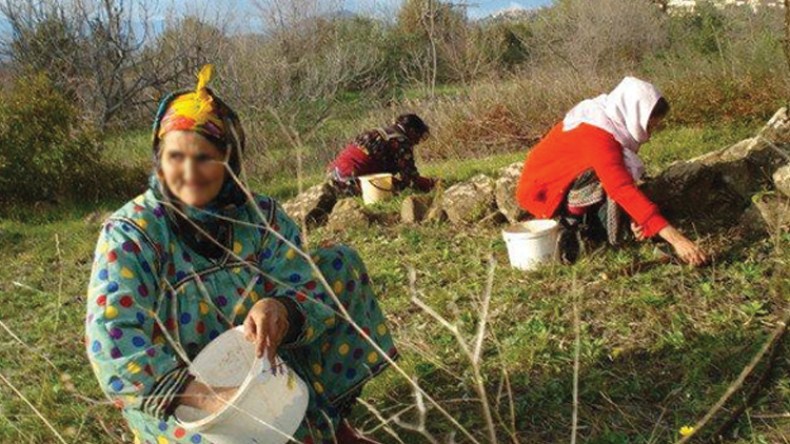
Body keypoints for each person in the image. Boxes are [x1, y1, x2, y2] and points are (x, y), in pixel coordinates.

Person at [85, 65, 397, 444]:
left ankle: (334, 424)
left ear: (228, 160)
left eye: (204, 158)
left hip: (263, 370)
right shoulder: (132, 235)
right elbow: (112, 346)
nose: (188, 172)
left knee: (337, 266)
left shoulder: (258, 216)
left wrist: (280, 308)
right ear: (158, 158)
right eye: (174, 157)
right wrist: (207, 397)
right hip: (185, 398)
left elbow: (307, 285)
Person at [515, 76, 708, 266]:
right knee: (600, 177)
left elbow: (621, 180)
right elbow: (621, 187)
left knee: (615, 184)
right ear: (634, 113)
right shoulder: (597, 133)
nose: (649, 136)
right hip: (545, 195)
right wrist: (677, 240)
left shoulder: (610, 122)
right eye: (648, 126)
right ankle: (571, 224)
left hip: (567, 186)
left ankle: (595, 225)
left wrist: (635, 218)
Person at [327, 114, 437, 196]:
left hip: (332, 174)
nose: (417, 142)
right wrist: (432, 183)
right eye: (418, 136)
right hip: (349, 180)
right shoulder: (400, 141)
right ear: (412, 131)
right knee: (396, 189)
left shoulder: (379, 132)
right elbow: (410, 178)